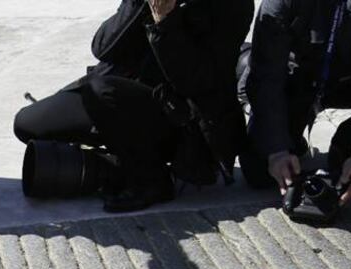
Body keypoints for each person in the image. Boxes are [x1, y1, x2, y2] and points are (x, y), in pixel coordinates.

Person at [14, 0, 253, 212]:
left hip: (183, 121)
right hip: (124, 93)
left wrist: (164, 21)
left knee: (101, 91)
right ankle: (114, 167)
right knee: (28, 124)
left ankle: (152, 180)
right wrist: (138, 4)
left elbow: (196, 81)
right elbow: (103, 48)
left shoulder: (231, 6)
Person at [242, 0, 351, 203]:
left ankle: (348, 140)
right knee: (259, 170)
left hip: (350, 79)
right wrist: (277, 151)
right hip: (300, 76)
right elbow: (267, 77)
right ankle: (243, 60)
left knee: (348, 165)